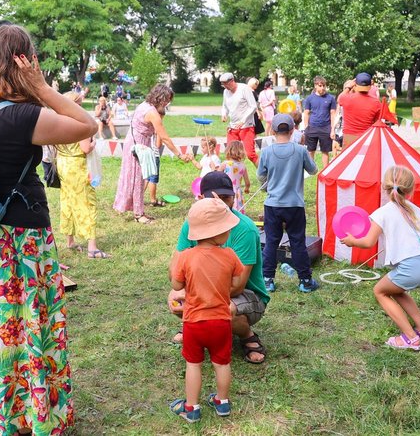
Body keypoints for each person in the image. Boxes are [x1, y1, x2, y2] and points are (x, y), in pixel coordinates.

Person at [0, 24, 97, 436]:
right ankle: (21, 418)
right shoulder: (24, 115)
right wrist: (43, 87)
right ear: (25, 60)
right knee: (20, 328)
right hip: (18, 239)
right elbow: (87, 126)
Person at [169, 172, 269, 365]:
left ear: (234, 197)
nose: (222, 203)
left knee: (224, 310)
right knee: (175, 299)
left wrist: (193, 297)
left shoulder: (245, 228)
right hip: (206, 291)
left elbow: (238, 286)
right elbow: (175, 268)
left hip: (247, 295)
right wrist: (178, 291)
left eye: (226, 197)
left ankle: (247, 335)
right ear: (200, 199)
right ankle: (194, 326)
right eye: (216, 197)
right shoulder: (192, 223)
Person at [342, 165, 420, 350]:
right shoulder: (416, 210)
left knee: (380, 291)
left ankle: (410, 338)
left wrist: (352, 241)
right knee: (396, 290)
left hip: (412, 268)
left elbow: (369, 242)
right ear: (411, 189)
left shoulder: (383, 212)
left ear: (384, 188)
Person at [169, 198, 244, 423]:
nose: (230, 231)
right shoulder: (230, 255)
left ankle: (191, 408)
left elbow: (176, 286)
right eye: (227, 228)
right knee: (222, 363)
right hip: (221, 320)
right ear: (215, 233)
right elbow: (237, 280)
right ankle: (222, 403)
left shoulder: (186, 256)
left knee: (193, 364)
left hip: (193, 322)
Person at [257, 113, 320, 293]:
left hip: (273, 205)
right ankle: (305, 281)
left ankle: (268, 280)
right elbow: (314, 169)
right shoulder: (300, 150)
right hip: (294, 205)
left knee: (271, 242)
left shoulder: (267, 151)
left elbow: (261, 176)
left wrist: (267, 187)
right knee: (297, 242)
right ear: (293, 130)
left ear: (273, 130)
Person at [113, 84, 190, 224]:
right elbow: (164, 137)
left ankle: (127, 206)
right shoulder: (152, 113)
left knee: (132, 177)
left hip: (134, 142)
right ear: (160, 98)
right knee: (137, 180)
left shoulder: (144, 105)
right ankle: (138, 214)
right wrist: (180, 155)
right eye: (167, 100)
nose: (167, 103)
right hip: (138, 146)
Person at [58, 92, 107, 259]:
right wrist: (94, 142)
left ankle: (70, 241)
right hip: (77, 166)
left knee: (68, 201)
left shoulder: (58, 120)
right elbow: (86, 148)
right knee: (87, 202)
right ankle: (92, 248)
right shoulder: (79, 122)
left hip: (63, 164)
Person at [220, 72, 259, 164]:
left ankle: (265, 175)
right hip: (233, 127)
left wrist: (243, 120)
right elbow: (224, 105)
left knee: (250, 154)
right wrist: (224, 114)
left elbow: (253, 106)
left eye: (226, 84)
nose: (225, 87)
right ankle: (233, 177)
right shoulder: (226, 92)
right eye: (223, 84)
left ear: (232, 81)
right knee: (230, 154)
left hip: (246, 126)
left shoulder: (244, 88)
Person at [337, 72, 382, 148]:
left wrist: (348, 87)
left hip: (349, 137)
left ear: (355, 84)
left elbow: (339, 99)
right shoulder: (376, 102)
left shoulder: (346, 98)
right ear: (370, 86)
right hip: (366, 137)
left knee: (349, 158)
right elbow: (376, 121)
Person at [302, 76, 337, 168]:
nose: (322, 88)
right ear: (315, 86)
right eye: (320, 86)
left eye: (324, 86)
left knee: (325, 151)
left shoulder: (330, 98)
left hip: (326, 128)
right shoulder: (309, 98)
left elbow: (333, 114)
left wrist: (332, 129)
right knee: (310, 150)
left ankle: (325, 170)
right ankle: (310, 169)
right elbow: (306, 113)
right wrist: (306, 127)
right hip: (312, 127)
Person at [221, 141, 251, 214]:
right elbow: (247, 182)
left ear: (229, 150)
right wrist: (247, 188)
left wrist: (213, 168)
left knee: (226, 210)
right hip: (237, 192)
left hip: (226, 191)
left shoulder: (225, 164)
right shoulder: (243, 165)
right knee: (237, 210)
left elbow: (216, 176)